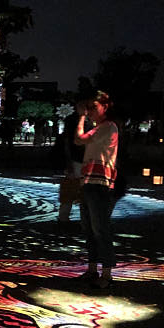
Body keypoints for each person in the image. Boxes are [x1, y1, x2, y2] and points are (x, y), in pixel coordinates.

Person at [74, 91, 119, 290]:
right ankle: (93, 269)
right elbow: (78, 140)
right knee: (89, 228)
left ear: (105, 107)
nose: (91, 110)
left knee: (100, 228)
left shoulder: (109, 127)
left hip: (100, 184)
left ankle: (107, 274)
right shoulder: (100, 128)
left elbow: (80, 139)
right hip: (89, 182)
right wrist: (83, 117)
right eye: (89, 107)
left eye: (94, 107)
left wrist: (82, 117)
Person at [56, 109, 85, 224]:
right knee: (77, 190)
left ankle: (64, 217)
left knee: (71, 191)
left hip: (77, 161)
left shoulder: (70, 133)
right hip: (77, 161)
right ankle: (65, 218)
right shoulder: (74, 132)